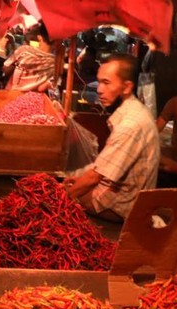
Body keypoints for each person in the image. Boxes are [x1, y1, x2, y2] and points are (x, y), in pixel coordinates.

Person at [63, 54, 160, 222]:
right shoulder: (133, 111)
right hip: (119, 194)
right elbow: (102, 168)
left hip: (122, 206)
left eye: (106, 83)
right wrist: (79, 178)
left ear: (127, 87)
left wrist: (59, 199)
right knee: (70, 184)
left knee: (62, 197)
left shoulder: (130, 124)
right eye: (99, 82)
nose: (99, 89)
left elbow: (94, 177)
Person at [3, 22, 55, 92]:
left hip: (12, 94)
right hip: (34, 97)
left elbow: (5, 69)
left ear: (39, 37)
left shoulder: (24, 50)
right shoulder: (55, 63)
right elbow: (41, 88)